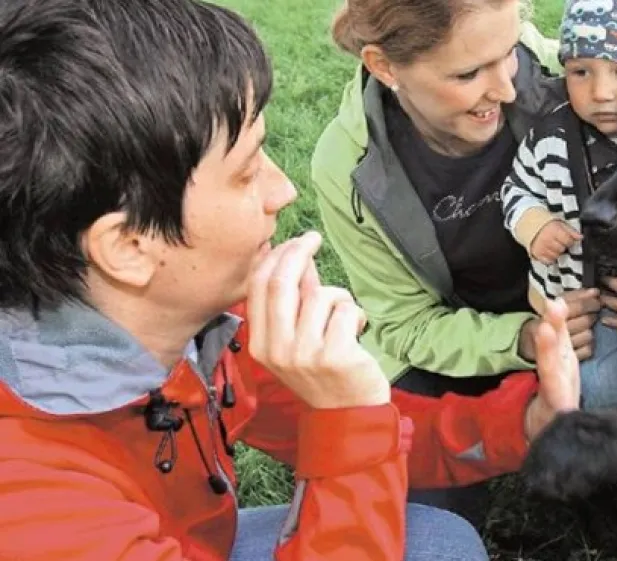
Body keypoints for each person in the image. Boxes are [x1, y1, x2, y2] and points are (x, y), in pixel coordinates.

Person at [0, 1, 582, 560]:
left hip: (194, 535)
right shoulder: (37, 508)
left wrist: (521, 422)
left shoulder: (210, 326)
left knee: (440, 544)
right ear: (128, 246)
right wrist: (344, 415)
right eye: (248, 170)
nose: (284, 192)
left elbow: (373, 427)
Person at [310, 0, 617, 523]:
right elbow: (406, 326)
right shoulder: (349, 168)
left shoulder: (569, 73)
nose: (504, 87)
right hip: (468, 347)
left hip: (605, 317)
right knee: (427, 518)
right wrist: (526, 338)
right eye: (469, 72)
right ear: (384, 66)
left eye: (508, 53)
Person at [499, 0, 617, 539]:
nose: (600, 92)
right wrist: (533, 224)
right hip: (587, 302)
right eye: (581, 72)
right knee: (599, 386)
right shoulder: (551, 136)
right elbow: (516, 190)